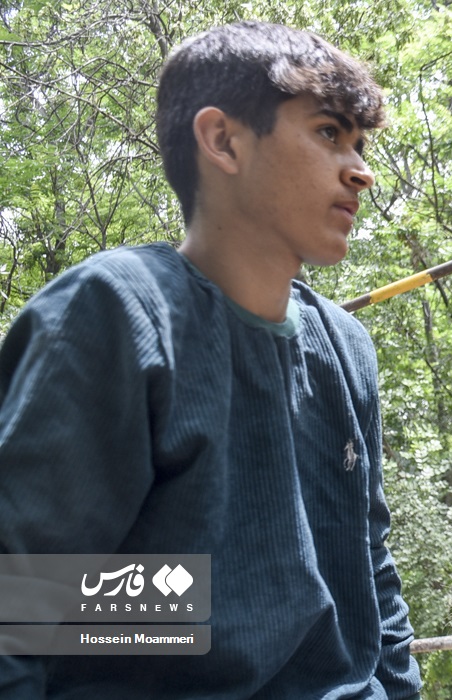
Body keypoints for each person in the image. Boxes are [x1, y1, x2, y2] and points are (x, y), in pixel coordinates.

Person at [0, 21, 421, 698]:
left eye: (360, 143)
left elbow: (370, 569)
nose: (361, 170)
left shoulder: (346, 347)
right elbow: (19, 600)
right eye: (327, 133)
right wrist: (179, 613)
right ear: (223, 140)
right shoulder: (117, 314)